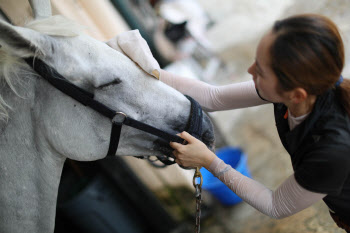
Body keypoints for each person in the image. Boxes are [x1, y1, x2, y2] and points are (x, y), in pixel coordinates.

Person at [107, 13, 350, 231]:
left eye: (261, 71)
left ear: (296, 94)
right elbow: (214, 97)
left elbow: (276, 205)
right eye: (257, 60)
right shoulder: (304, 90)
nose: (250, 69)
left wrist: (209, 161)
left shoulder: (331, 149)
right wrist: (147, 74)